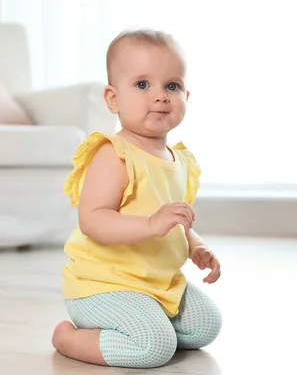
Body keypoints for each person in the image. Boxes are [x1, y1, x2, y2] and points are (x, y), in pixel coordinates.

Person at [51, 29, 222, 369]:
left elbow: (176, 223)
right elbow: (94, 220)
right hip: (104, 285)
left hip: (156, 283)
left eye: (171, 86)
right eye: (143, 85)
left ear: (187, 94)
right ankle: (71, 338)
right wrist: (150, 223)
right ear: (113, 99)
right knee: (153, 349)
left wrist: (197, 247)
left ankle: (145, 323)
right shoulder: (114, 155)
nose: (160, 96)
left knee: (206, 326)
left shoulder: (180, 160)